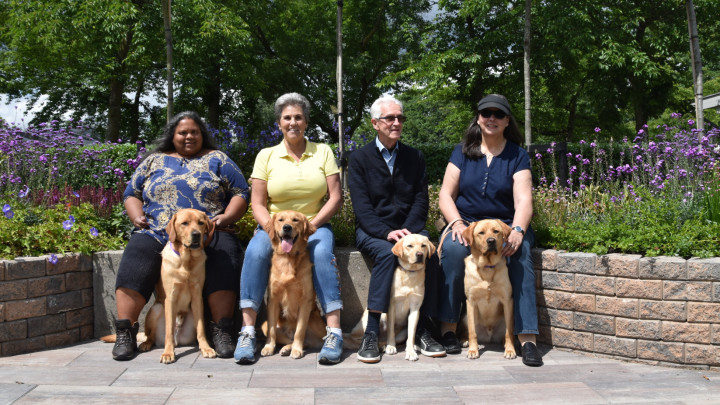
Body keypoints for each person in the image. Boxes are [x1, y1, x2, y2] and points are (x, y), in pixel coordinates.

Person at [112, 111, 250, 361]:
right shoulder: (154, 160)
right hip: (157, 229)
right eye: (182, 132)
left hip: (209, 230)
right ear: (172, 136)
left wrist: (226, 218)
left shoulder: (218, 159)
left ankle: (222, 330)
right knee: (137, 254)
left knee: (225, 255)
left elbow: (241, 191)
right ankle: (126, 332)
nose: (189, 136)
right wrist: (136, 217)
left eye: (194, 132)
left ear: (202, 134)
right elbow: (131, 192)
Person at [233, 92, 344, 365]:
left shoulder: (324, 151)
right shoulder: (266, 155)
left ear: (306, 122)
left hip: (314, 226)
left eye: (298, 117)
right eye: (287, 118)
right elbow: (257, 202)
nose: (292, 122)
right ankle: (247, 331)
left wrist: (309, 227)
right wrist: (271, 228)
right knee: (256, 253)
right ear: (279, 123)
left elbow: (336, 197)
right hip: (274, 227)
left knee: (320, 256)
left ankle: (335, 332)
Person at [436, 93, 542, 366]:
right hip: (468, 224)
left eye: (498, 114)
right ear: (479, 119)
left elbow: (524, 200)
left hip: (506, 225)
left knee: (520, 254)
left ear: (507, 121)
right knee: (451, 249)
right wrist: (458, 224)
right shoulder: (462, 151)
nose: (491, 118)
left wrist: (517, 230)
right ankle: (448, 329)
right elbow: (446, 195)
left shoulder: (517, 155)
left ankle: (527, 337)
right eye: (486, 113)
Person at [347, 94, 446, 363]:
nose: (396, 122)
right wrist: (386, 233)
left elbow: (421, 200)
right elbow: (362, 207)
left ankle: (425, 328)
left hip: (409, 229)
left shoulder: (415, 157)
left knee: (432, 255)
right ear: (375, 123)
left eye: (400, 117)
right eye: (390, 118)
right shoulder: (359, 159)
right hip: (373, 231)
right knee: (387, 254)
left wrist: (409, 231)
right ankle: (370, 333)